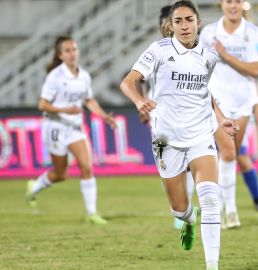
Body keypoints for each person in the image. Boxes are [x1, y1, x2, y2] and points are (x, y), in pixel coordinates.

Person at [119, 1, 238, 269]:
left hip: (200, 134)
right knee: (179, 208)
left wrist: (221, 119)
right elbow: (127, 82)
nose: (184, 26)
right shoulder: (159, 50)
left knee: (210, 197)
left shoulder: (209, 55)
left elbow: (204, 93)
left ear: (198, 22)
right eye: (178, 21)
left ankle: (212, 265)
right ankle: (188, 220)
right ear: (170, 26)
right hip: (166, 139)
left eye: (189, 20)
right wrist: (139, 102)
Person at [25, 35, 116, 225]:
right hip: (55, 127)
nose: (72, 53)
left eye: (74, 49)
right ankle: (34, 188)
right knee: (60, 175)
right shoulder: (55, 77)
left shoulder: (84, 76)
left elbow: (89, 100)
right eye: (67, 51)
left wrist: (103, 116)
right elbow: (42, 104)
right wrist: (65, 109)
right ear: (60, 56)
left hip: (75, 127)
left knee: (87, 167)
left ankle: (91, 213)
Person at [199, 0, 258, 229]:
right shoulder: (209, 32)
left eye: (238, 1)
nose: (233, 6)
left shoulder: (253, 33)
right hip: (217, 102)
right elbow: (199, 67)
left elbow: (255, 69)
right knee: (228, 151)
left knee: (232, 152)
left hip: (242, 102)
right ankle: (230, 211)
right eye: (229, 1)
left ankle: (218, 205)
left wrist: (226, 56)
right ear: (221, 4)